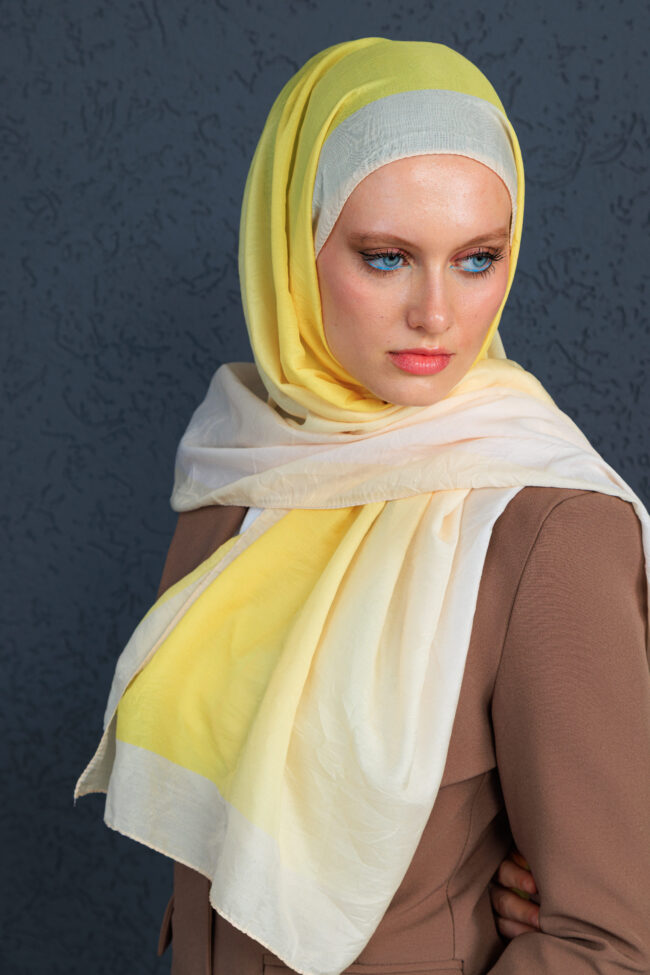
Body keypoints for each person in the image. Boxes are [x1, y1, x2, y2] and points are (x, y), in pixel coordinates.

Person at [76, 38, 650, 974]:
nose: (437, 313)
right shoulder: (238, 471)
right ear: (291, 249)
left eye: (478, 258)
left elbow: (609, 942)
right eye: (386, 257)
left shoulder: (549, 526)